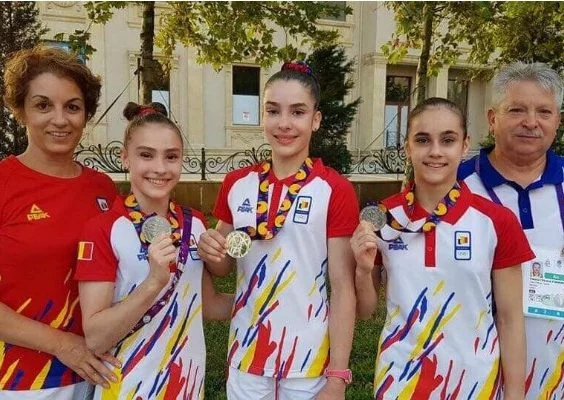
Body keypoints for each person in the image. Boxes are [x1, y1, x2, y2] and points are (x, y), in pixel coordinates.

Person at [352, 97, 534, 399]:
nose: (435, 151)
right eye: (423, 140)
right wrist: (362, 269)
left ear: (464, 146)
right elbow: (365, 311)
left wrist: (515, 394)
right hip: (400, 381)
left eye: (447, 140)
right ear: (408, 148)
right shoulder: (383, 218)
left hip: (474, 382)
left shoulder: (496, 220)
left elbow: (510, 319)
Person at [198, 62, 358, 400]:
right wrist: (211, 249)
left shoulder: (335, 189)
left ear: (316, 120)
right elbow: (223, 266)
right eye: (273, 111)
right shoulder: (237, 183)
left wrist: (338, 376)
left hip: (309, 362)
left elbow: (343, 288)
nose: (284, 123)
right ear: (263, 116)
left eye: (297, 112)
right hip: (246, 357)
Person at [74, 102, 233, 399]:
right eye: (146, 155)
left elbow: (209, 305)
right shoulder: (102, 229)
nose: (160, 168)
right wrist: (153, 282)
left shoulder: (195, 223)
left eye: (171, 156)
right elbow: (96, 338)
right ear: (125, 158)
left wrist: (269, 295)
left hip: (186, 385)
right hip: (126, 387)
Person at [0, 46, 119, 398]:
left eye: (72, 106)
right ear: (20, 110)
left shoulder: (103, 188)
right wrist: (62, 344)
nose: (60, 119)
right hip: (22, 381)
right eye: (43, 105)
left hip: (100, 375)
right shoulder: (4, 183)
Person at [458, 62, 564, 399]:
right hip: (471, 371)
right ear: (492, 118)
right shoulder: (455, 185)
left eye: (544, 111)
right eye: (516, 110)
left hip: (555, 370)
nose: (531, 122)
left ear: (558, 121)